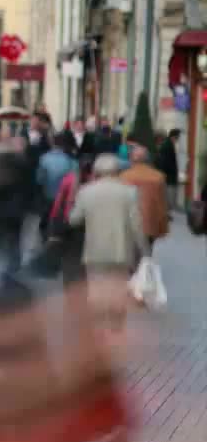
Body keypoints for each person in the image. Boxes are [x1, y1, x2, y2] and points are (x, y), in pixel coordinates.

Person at [68, 154, 149, 337]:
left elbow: (74, 220)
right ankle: (116, 327)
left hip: (94, 252)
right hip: (121, 251)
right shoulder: (130, 192)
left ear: (97, 171)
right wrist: (145, 251)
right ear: (117, 171)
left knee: (96, 289)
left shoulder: (86, 192)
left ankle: (98, 328)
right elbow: (137, 225)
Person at [120, 145, 169, 248]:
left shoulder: (124, 176)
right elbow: (162, 204)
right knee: (147, 254)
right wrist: (163, 228)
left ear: (131, 159)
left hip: (129, 224)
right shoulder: (158, 177)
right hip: (150, 224)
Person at [157, 129, 181, 211]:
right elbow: (165, 162)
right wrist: (166, 173)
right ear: (174, 136)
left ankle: (167, 213)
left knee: (168, 196)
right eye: (178, 137)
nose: (178, 139)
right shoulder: (167, 145)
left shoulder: (168, 144)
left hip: (168, 175)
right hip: (168, 176)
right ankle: (166, 213)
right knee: (168, 197)